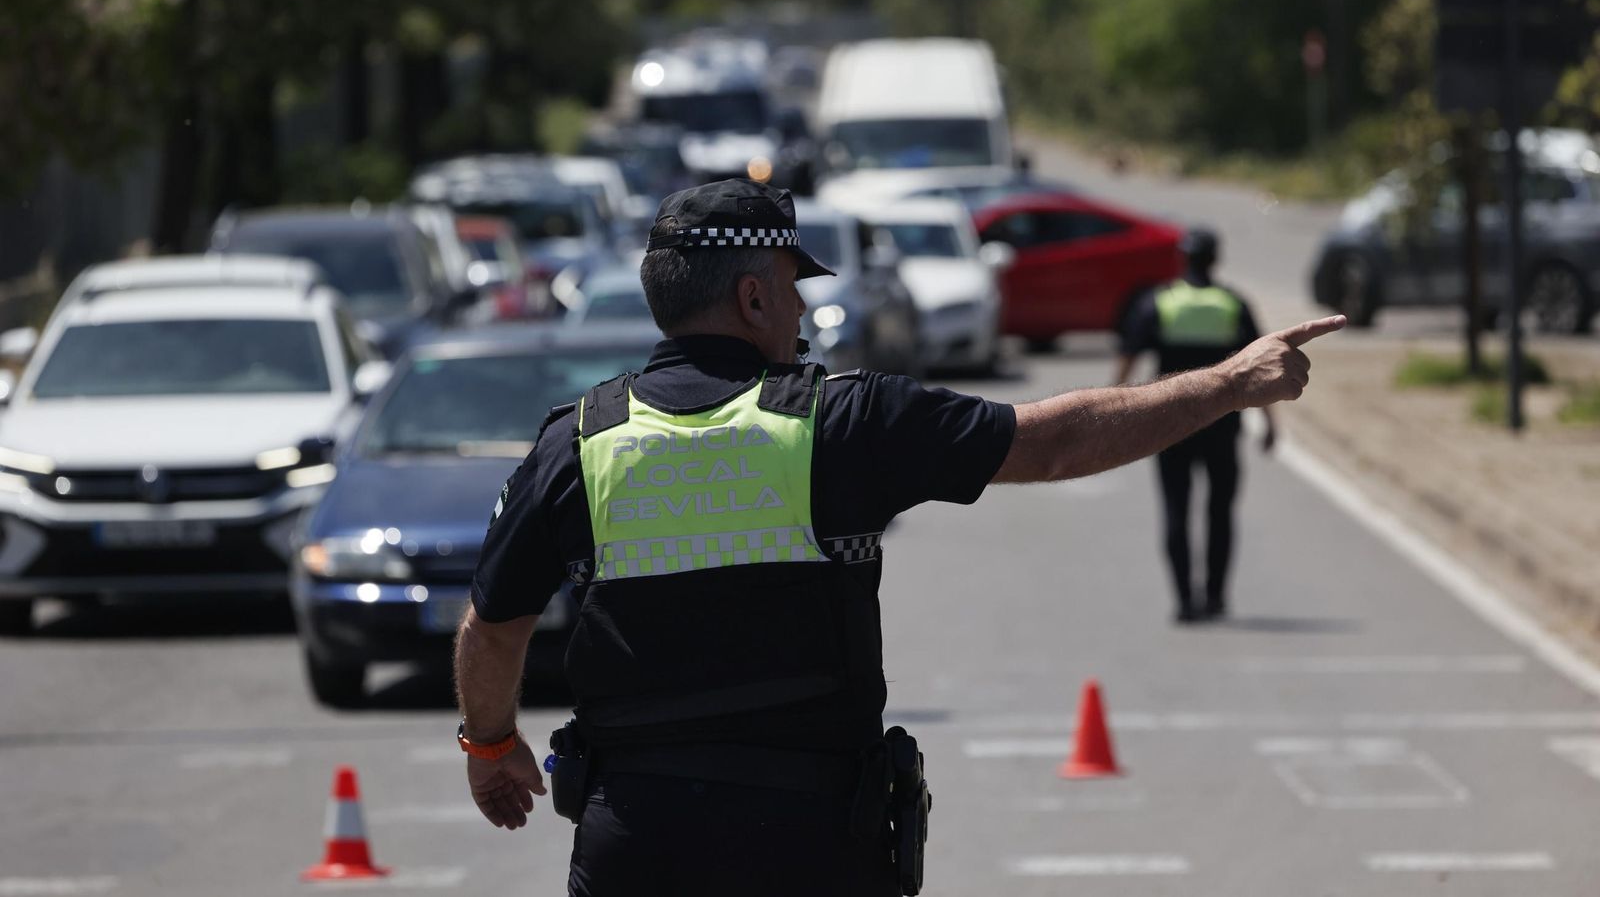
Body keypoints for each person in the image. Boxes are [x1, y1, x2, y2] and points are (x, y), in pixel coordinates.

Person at [454, 180, 1342, 897]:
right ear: (753, 296)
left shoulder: (577, 444)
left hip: (638, 844)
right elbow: (1055, 442)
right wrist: (1230, 384)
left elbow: (492, 629)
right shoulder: (843, 421)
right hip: (811, 844)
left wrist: (491, 747)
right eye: (793, 288)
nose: (800, 311)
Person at [1115, 227, 1273, 623]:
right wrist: (1270, 420)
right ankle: (1215, 597)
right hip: (1222, 424)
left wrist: (1114, 412)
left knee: (1176, 510)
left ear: (1182, 258)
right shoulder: (1232, 303)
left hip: (1169, 424)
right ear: (1216, 259)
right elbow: (1262, 365)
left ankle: (1185, 601)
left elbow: (1129, 358)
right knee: (1220, 511)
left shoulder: (1160, 302)